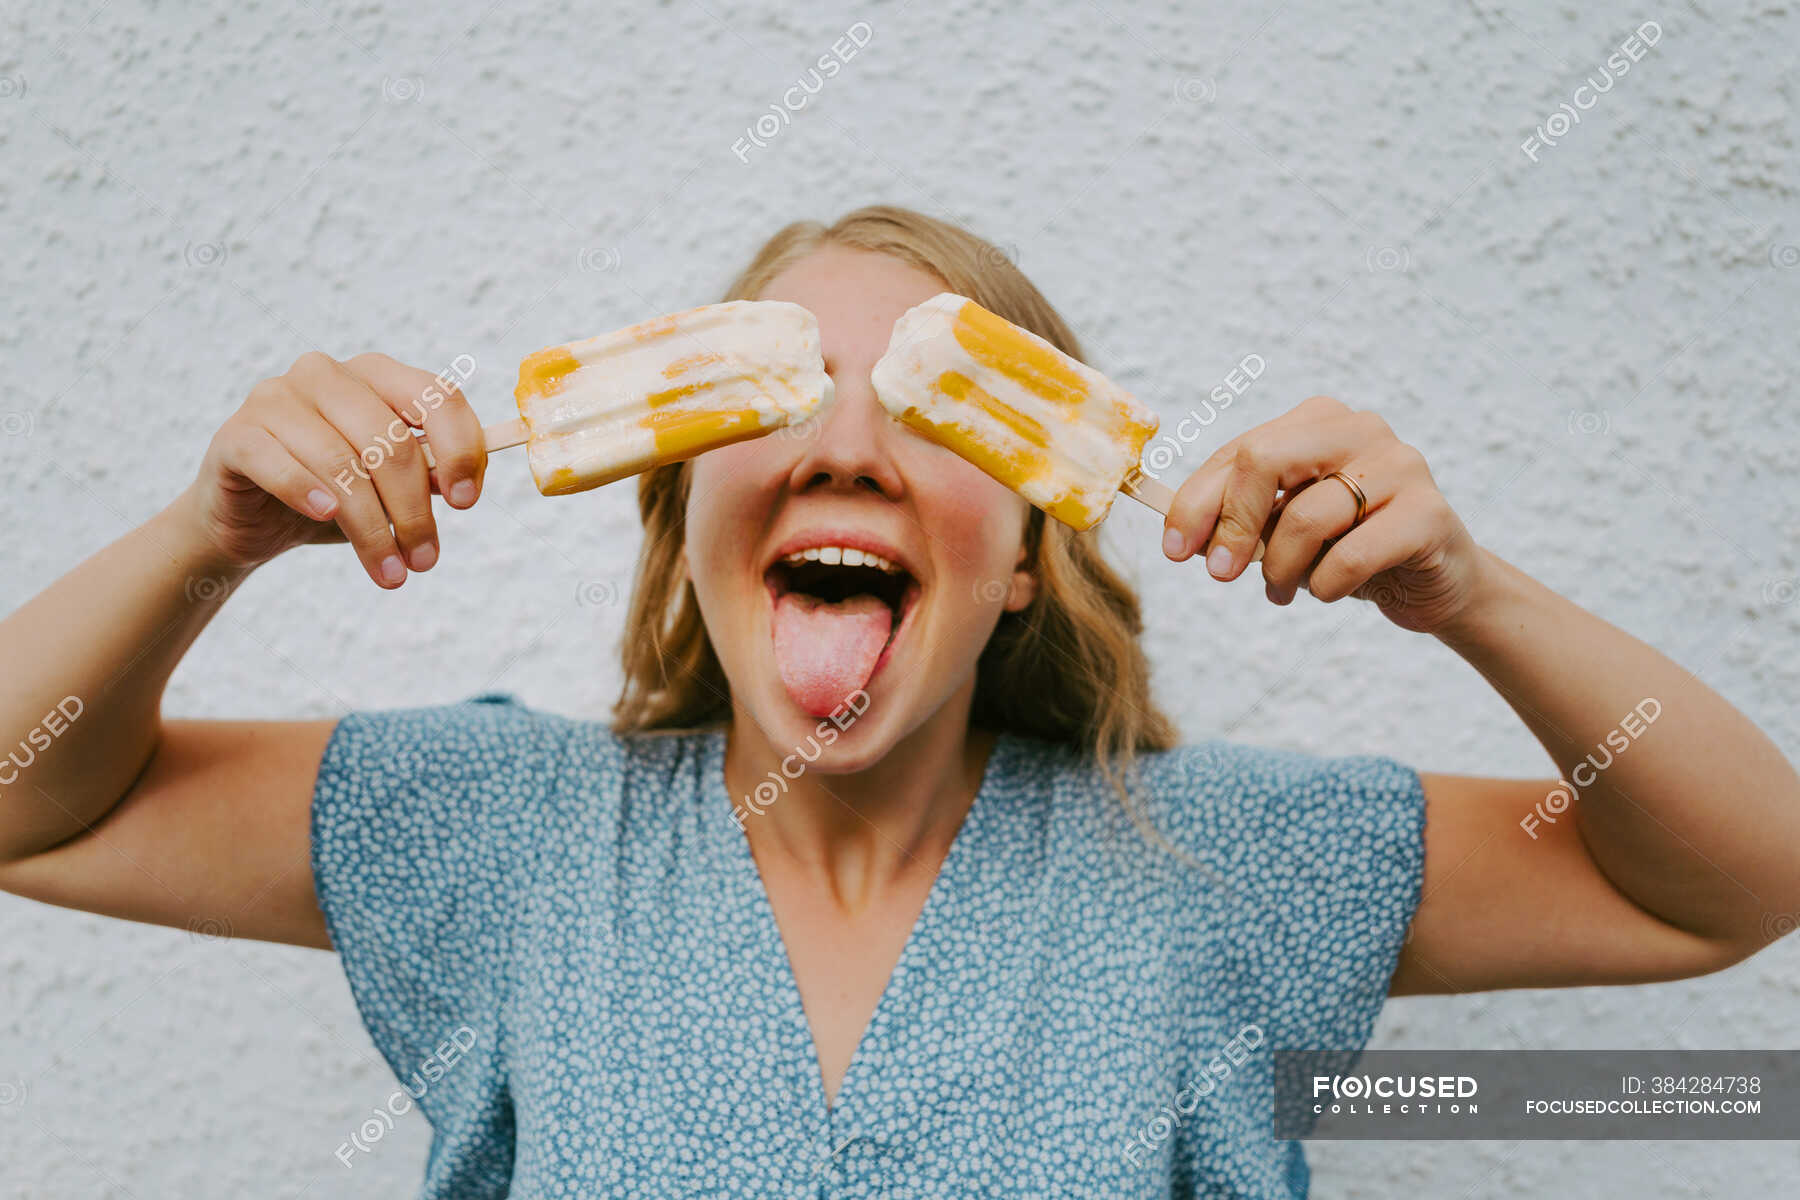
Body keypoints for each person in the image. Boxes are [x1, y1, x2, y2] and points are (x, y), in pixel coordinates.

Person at [2, 204, 1795, 1198]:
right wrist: (204, 541)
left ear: (1025, 549)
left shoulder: (1216, 862)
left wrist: (1469, 600)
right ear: (680, 502)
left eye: (937, 410)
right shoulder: (501, 834)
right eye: (772, 398)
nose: (847, 442)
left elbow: (1733, 881)